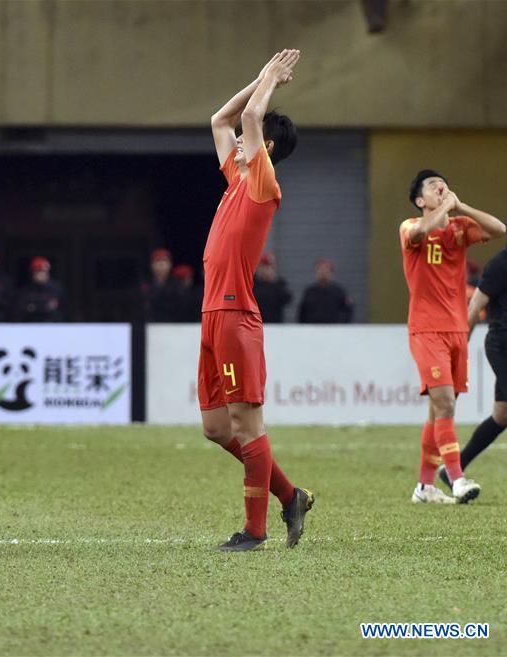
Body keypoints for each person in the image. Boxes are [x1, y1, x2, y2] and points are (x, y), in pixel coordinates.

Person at [202, 49, 313, 552]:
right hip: (212, 315)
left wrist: (271, 79)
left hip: (234, 315)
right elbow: (222, 117)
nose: (239, 140)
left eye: (253, 137)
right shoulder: (235, 180)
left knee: (246, 424)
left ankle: (255, 531)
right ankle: (290, 496)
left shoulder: (263, 184)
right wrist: (259, 77)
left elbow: (247, 118)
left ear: (264, 146)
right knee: (215, 427)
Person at [400, 169, 506, 504]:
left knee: (438, 409)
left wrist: (463, 208)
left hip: (457, 330)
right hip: (426, 329)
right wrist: (444, 209)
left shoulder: (459, 228)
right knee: (444, 402)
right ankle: (457, 479)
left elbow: (500, 229)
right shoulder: (409, 226)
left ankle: (424, 486)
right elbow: (421, 230)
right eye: (432, 186)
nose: (439, 187)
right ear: (420, 200)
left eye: (441, 183)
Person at [437, 209, 507, 490]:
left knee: (505, 414)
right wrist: (459, 345)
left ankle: (453, 468)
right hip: (504, 344)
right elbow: (474, 308)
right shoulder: (500, 266)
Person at [297, 259, 353, 323]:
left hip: (333, 329)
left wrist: (342, 325)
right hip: (312, 329)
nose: (323, 273)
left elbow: (348, 309)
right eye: (320, 270)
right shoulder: (309, 291)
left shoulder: (339, 291)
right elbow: (302, 311)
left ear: (331, 273)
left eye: (326, 271)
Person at [14, 256, 66, 322]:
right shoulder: (26, 290)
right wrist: (43, 307)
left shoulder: (56, 288)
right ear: (33, 273)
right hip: (31, 325)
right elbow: (22, 310)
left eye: (44, 271)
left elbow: (63, 309)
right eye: (39, 271)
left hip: (53, 325)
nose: (42, 274)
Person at [141, 249, 182, 322]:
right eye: (158, 261)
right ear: (152, 265)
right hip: (151, 324)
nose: (161, 264)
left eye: (164, 261)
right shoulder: (145, 285)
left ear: (170, 265)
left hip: (173, 325)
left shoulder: (177, 286)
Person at [252, 252, 292, 323]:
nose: (266, 270)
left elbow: (287, 299)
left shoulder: (279, 283)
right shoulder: (252, 283)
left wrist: (273, 282)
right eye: (263, 267)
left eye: (269, 267)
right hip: (255, 323)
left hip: (275, 325)